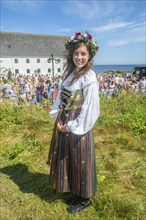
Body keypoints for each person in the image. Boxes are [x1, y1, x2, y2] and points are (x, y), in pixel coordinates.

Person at [47, 32, 100, 213]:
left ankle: (85, 198)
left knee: (80, 158)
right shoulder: (72, 74)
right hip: (66, 120)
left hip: (79, 124)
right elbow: (64, 96)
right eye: (76, 53)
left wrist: (71, 126)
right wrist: (57, 114)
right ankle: (74, 189)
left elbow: (90, 109)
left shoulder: (89, 78)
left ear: (89, 56)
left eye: (83, 54)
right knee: (68, 156)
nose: (79, 57)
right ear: (72, 55)